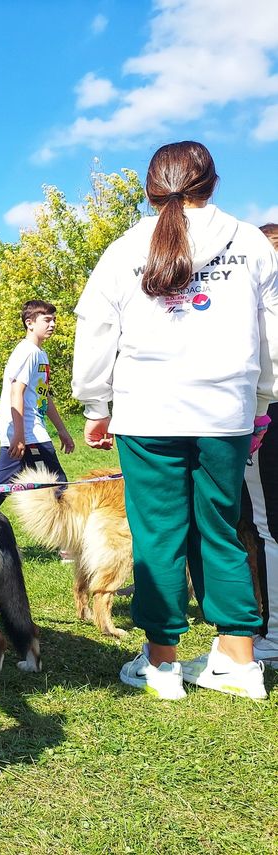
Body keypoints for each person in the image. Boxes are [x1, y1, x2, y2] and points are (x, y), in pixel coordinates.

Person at [72, 140, 278, 701]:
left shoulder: (124, 248)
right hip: (225, 411)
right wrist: (262, 402)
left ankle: (162, 667)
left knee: (157, 533)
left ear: (150, 187)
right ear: (212, 182)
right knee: (223, 530)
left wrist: (96, 404)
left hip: (147, 410)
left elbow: (95, 327)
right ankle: (239, 661)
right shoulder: (253, 244)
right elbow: (272, 335)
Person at [0, 300, 75, 506]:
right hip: (28, 435)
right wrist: (20, 435)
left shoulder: (41, 354)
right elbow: (17, 392)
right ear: (29, 323)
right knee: (60, 488)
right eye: (47, 320)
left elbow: (44, 397)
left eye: (54, 320)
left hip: (30, 432)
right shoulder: (27, 352)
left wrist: (62, 430)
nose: (53, 325)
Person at [244, 222, 278, 669]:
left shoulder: (262, 299)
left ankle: (270, 637)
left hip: (269, 412)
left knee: (267, 527)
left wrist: (257, 416)